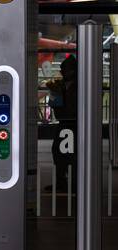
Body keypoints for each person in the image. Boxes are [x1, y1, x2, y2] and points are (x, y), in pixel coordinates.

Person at [49, 54, 78, 191]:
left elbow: (70, 108)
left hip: (71, 123)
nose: (62, 73)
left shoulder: (76, 87)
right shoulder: (67, 86)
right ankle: (63, 181)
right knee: (60, 151)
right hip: (66, 122)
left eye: (64, 69)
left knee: (67, 153)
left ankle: (68, 183)